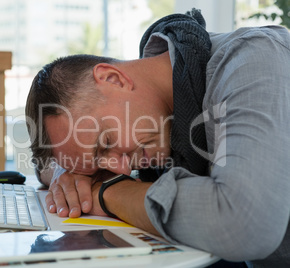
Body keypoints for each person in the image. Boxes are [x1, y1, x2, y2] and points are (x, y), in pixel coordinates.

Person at [25, 9, 290, 267]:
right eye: (100, 168)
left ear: (113, 79)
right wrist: (67, 174)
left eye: (105, 143)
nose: (122, 168)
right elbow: (44, 168)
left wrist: (108, 189)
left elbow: (247, 224)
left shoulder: (251, 60)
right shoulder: (159, 102)